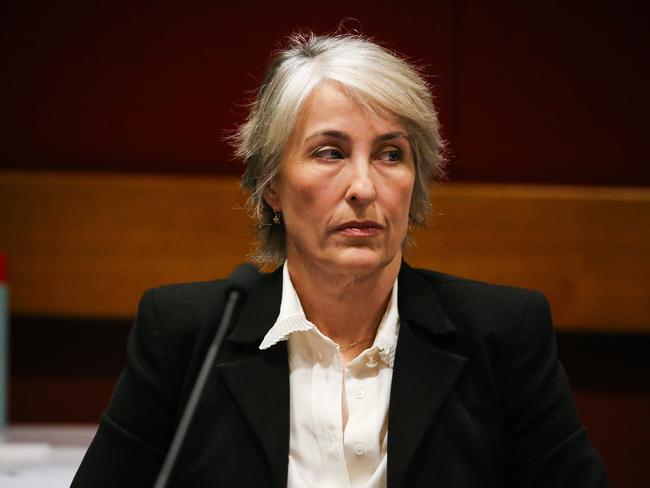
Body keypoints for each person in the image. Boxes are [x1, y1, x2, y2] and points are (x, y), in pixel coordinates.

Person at [72, 33, 609, 487]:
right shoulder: (187, 335)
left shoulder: (501, 335)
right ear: (272, 186)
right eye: (330, 151)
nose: (363, 186)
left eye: (391, 154)